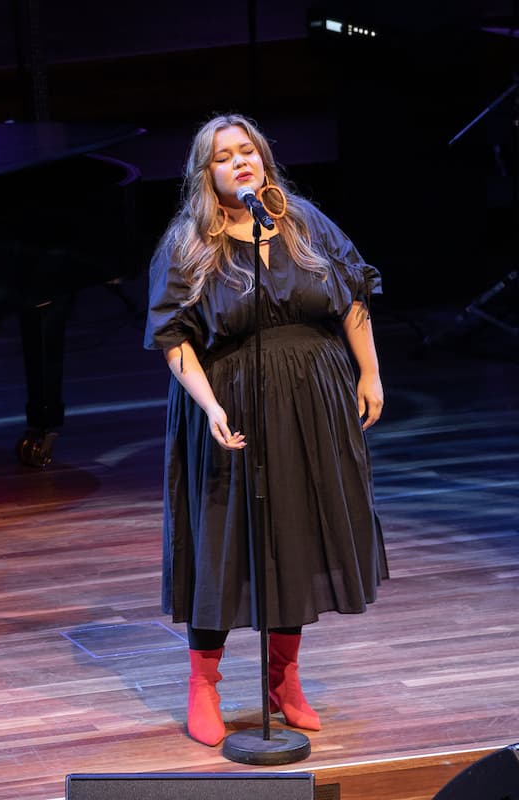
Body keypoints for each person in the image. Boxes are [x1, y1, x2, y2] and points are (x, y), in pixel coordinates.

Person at [144, 114, 388, 746]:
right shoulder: (190, 244)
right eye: (224, 157)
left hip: (314, 398)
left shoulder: (304, 222)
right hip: (232, 402)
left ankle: (285, 678)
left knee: (294, 535)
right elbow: (174, 339)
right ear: (208, 175)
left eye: (247, 150)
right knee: (223, 539)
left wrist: (369, 373)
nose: (240, 161)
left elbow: (352, 295)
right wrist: (208, 405)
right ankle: (204, 682)